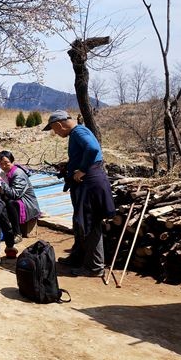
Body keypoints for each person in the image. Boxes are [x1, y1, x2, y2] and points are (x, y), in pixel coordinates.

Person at [44, 110, 115, 277]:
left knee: (90, 224)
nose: (56, 132)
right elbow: (85, 153)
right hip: (85, 184)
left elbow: (92, 149)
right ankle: (77, 257)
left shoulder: (79, 132)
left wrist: (82, 170)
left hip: (89, 185)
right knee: (80, 223)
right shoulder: (77, 133)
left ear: (59, 124)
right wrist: (69, 165)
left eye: (55, 129)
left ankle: (95, 267)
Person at [0, 150, 41, 243]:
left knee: (10, 203)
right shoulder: (5, 172)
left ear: (12, 162)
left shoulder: (18, 174)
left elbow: (15, 194)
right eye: (0, 164)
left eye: (6, 163)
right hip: (16, 199)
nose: (3, 166)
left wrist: (0, 181)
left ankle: (17, 233)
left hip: (27, 204)